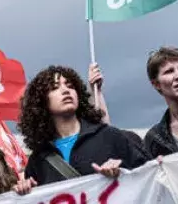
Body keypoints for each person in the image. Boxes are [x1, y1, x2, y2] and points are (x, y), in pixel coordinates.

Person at [14, 65, 149, 195]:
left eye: (70, 86)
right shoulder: (38, 160)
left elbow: (149, 175)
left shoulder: (109, 136)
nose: (66, 90)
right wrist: (25, 191)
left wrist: (122, 169)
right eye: (55, 88)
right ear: (41, 102)